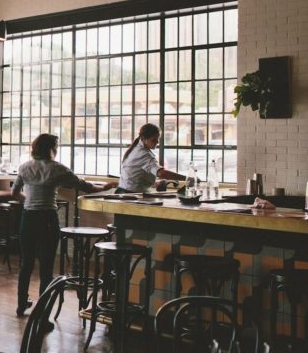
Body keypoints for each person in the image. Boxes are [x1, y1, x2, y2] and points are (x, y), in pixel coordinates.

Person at [11, 133, 116, 317]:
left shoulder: (24, 167)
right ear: (52, 149)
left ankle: (21, 304)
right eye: (56, 147)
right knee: (46, 266)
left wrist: (30, 201)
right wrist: (106, 187)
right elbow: (85, 186)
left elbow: (14, 193)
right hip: (48, 219)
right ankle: (43, 313)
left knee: (26, 263)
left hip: (28, 217)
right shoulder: (58, 169)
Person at [117, 123, 185, 193]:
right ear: (144, 139)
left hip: (127, 192)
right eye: (153, 139)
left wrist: (156, 183)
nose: (157, 142)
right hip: (129, 195)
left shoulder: (136, 148)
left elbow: (135, 177)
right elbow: (161, 173)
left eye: (158, 139)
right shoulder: (143, 154)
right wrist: (186, 178)